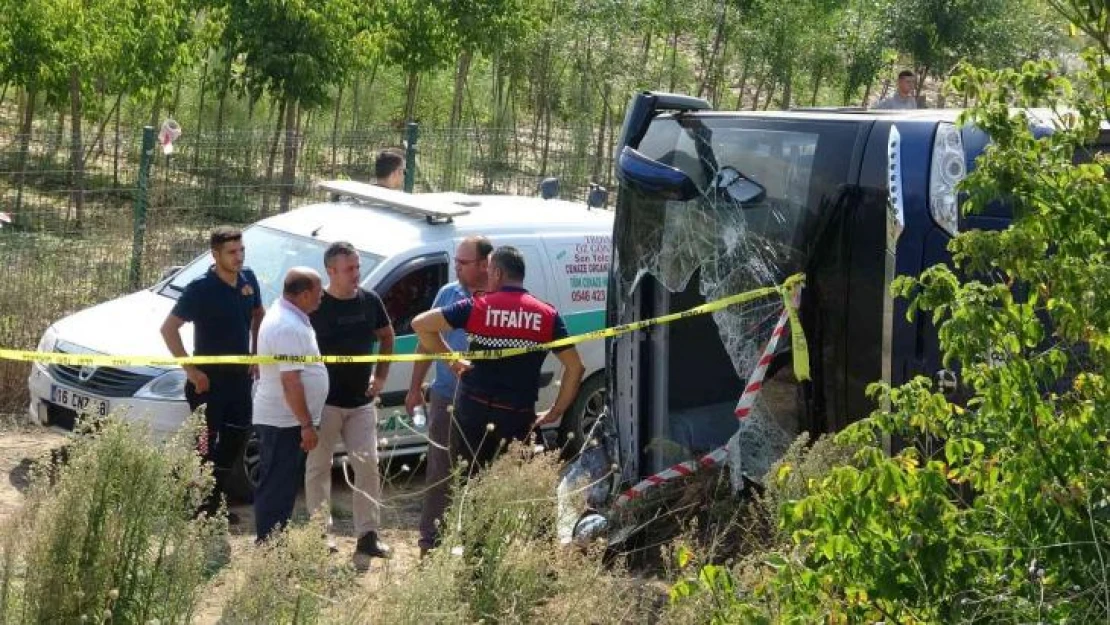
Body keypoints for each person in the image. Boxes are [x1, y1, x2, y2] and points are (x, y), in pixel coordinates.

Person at [411, 244, 585, 477]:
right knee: (511, 490)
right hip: (518, 417)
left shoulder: (478, 306)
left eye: (490, 271)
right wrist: (557, 410)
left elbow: (420, 324)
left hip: (472, 414)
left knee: (469, 486)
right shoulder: (546, 315)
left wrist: (452, 359)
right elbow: (575, 367)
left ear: (498, 274)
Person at [160, 226, 263, 521]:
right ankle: (197, 502)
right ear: (215, 254)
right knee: (205, 443)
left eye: (241, 250)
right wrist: (191, 370)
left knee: (236, 437)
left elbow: (259, 315)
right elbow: (169, 330)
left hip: (240, 382)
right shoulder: (200, 289)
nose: (239, 257)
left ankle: (214, 500)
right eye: (232, 252)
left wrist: (256, 353)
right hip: (208, 384)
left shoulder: (249, 279)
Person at [306, 242, 394, 568]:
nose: (356, 274)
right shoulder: (316, 304)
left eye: (357, 267)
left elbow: (387, 336)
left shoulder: (370, 300)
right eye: (349, 269)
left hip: (360, 402)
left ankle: (368, 536)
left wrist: (381, 377)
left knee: (368, 465)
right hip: (323, 403)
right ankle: (319, 535)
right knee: (318, 469)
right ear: (331, 271)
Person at [406, 235, 492, 557]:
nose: (456, 266)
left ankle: (475, 543)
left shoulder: (498, 296)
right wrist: (415, 387)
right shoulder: (448, 293)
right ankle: (430, 543)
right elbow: (425, 340)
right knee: (439, 471)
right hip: (445, 396)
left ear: (485, 264)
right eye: (456, 260)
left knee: (480, 472)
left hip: (485, 401)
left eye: (463, 262)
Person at [252, 268, 327, 542]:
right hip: (283, 421)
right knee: (276, 488)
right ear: (305, 294)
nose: (322, 297)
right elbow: (291, 382)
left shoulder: (292, 319)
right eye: (319, 292)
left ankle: (275, 545)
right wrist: (306, 424)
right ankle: (271, 549)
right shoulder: (287, 326)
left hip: (286, 419)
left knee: (282, 487)